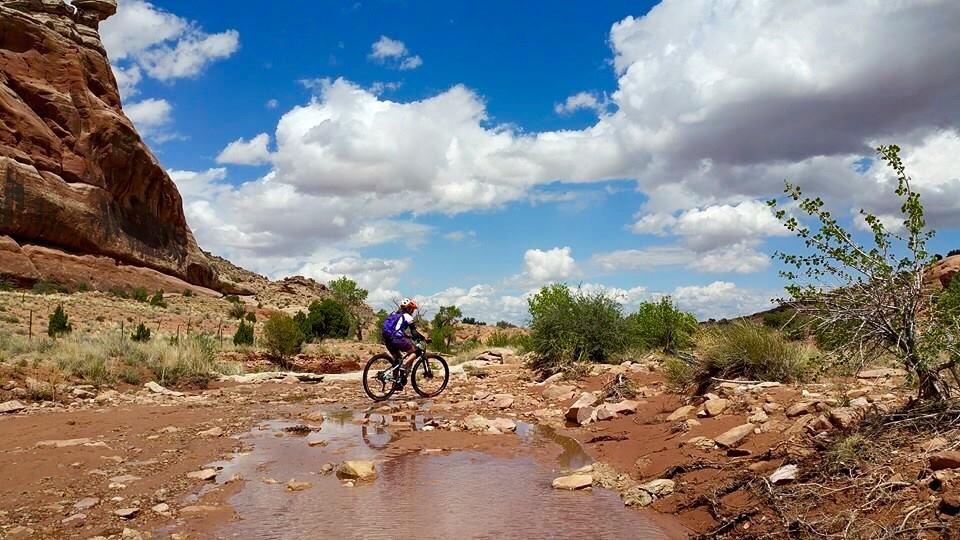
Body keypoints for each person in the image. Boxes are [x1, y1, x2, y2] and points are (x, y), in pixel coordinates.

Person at [381, 298, 428, 384]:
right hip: (397, 339)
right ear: (409, 308)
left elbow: (395, 328)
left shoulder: (393, 314)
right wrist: (423, 338)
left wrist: (406, 335)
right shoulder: (408, 316)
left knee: (398, 359)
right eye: (412, 309)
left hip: (388, 340)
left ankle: (396, 382)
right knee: (416, 351)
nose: (413, 311)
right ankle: (404, 366)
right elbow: (414, 332)